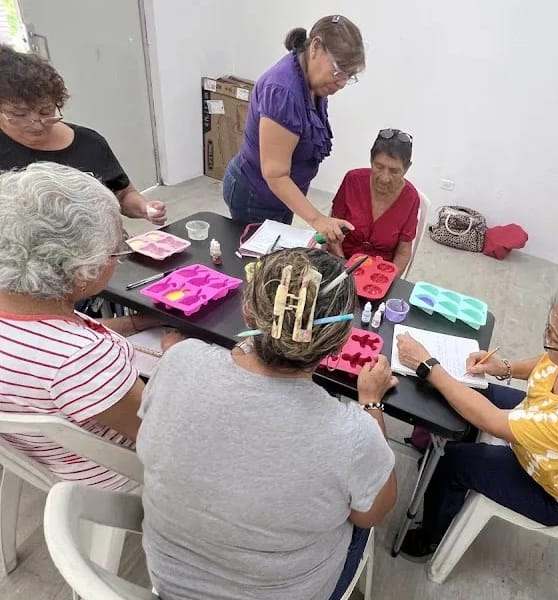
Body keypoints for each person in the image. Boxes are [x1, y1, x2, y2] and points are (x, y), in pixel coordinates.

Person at [137, 248, 398, 600]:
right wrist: (371, 403)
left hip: (170, 583)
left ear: (247, 312)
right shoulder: (352, 433)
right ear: (338, 342)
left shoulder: (180, 360)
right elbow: (371, 515)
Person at [394, 278, 558, 561]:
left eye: (554, 337)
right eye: (549, 328)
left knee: (454, 461)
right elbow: (547, 363)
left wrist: (428, 365)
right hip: (541, 423)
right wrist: (503, 367)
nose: (546, 340)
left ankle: (430, 536)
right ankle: (439, 458)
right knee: (466, 391)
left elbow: (493, 421)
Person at [0, 163, 160, 489]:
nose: (120, 257)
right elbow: (160, 436)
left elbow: (56, 335)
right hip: (112, 469)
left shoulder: (24, 305)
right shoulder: (80, 360)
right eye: (117, 250)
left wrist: (135, 322)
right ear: (82, 272)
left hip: (42, 449)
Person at [223, 15, 363, 243]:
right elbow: (275, 174)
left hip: (281, 194)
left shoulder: (313, 81)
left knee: (275, 254)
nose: (342, 82)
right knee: (257, 263)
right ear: (315, 46)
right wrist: (318, 220)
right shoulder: (282, 91)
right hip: (255, 194)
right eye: (339, 70)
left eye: (350, 75)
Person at [0, 45, 166, 225]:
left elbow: (123, 195)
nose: (36, 124)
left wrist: (144, 208)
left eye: (46, 111)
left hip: (94, 245)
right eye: (19, 115)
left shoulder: (89, 143)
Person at [328, 128, 420, 273]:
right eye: (379, 166)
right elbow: (332, 231)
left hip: (379, 273)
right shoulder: (353, 180)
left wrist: (388, 280)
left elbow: (403, 252)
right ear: (371, 160)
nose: (384, 178)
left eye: (395, 171)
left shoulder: (411, 197)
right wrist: (343, 267)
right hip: (340, 262)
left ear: (407, 168)